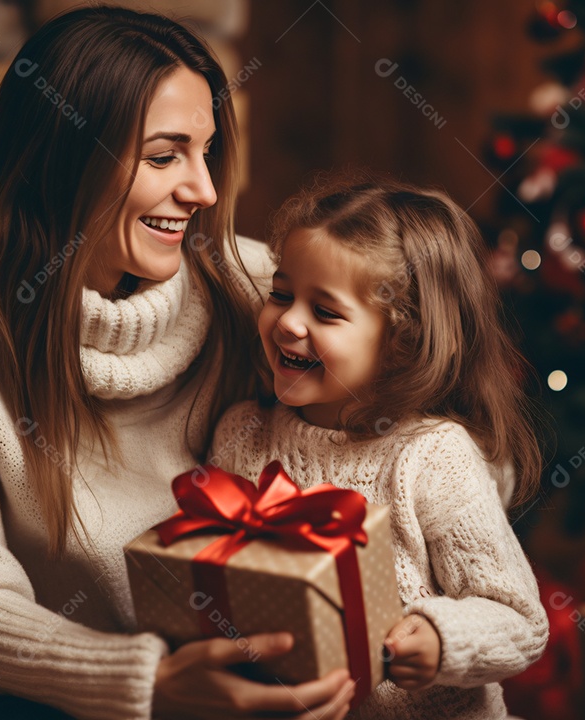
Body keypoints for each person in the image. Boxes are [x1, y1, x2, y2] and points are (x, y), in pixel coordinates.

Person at [0, 8, 356, 720]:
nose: (203, 191)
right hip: (17, 688)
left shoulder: (251, 285)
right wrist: (147, 682)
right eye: (163, 156)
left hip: (222, 661)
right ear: (64, 159)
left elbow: (395, 410)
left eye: (205, 152)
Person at [209, 175, 550, 719]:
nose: (288, 322)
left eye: (325, 312)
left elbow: (520, 620)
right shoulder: (241, 435)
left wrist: (444, 640)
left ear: (401, 343)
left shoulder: (432, 457)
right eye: (280, 294)